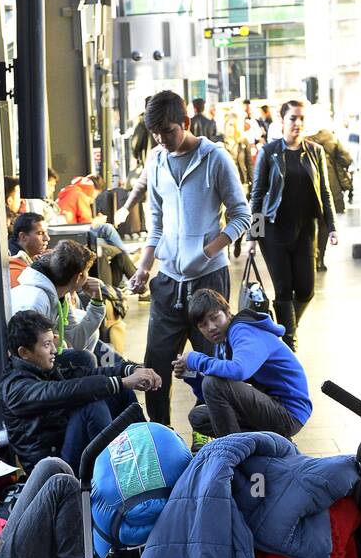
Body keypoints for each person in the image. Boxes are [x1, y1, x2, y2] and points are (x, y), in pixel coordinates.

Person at [128, 90, 252, 425]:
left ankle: (207, 439)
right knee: (155, 365)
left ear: (185, 121)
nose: (161, 140)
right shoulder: (156, 160)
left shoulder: (216, 158)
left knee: (210, 367)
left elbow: (242, 216)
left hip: (209, 281)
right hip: (168, 281)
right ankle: (161, 436)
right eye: (155, 133)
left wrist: (207, 252)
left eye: (168, 131)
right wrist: (144, 267)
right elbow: (156, 223)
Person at [0, 310, 157, 473]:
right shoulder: (15, 389)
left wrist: (129, 370)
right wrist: (122, 382)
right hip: (54, 469)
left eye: (52, 342)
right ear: (24, 352)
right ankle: (120, 473)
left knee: (121, 393)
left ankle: (148, 452)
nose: (54, 350)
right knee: (91, 406)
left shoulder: (42, 369)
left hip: (65, 443)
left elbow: (86, 375)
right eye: (46, 345)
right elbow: (66, 391)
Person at [246, 99, 336, 352]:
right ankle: (289, 344)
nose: (297, 123)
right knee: (284, 290)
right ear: (282, 121)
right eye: (293, 118)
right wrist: (253, 236)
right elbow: (258, 194)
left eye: (301, 118)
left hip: (305, 230)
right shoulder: (269, 152)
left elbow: (325, 191)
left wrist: (332, 226)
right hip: (274, 232)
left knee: (306, 290)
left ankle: (284, 330)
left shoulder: (315, 151)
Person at [175, 287, 312, 440]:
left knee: (212, 383)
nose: (211, 327)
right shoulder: (222, 342)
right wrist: (192, 375)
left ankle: (234, 450)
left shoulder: (243, 330)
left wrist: (195, 359)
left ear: (227, 312)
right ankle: (262, 447)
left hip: (289, 412)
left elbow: (239, 370)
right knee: (199, 417)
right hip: (270, 405)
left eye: (214, 318)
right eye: (203, 325)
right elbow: (216, 400)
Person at [306, 120, 353, 271]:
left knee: (307, 224)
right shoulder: (331, 137)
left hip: (308, 186)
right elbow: (347, 159)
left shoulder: (301, 141)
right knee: (324, 223)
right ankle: (320, 259)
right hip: (329, 184)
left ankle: (310, 258)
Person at [8, 211, 49, 288]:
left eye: (46, 232)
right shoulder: (13, 263)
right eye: (40, 233)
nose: (47, 238)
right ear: (23, 236)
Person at [130, 97, 152, 168]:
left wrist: (136, 155)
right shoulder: (164, 120)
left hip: (148, 161)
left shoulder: (142, 123)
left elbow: (136, 142)